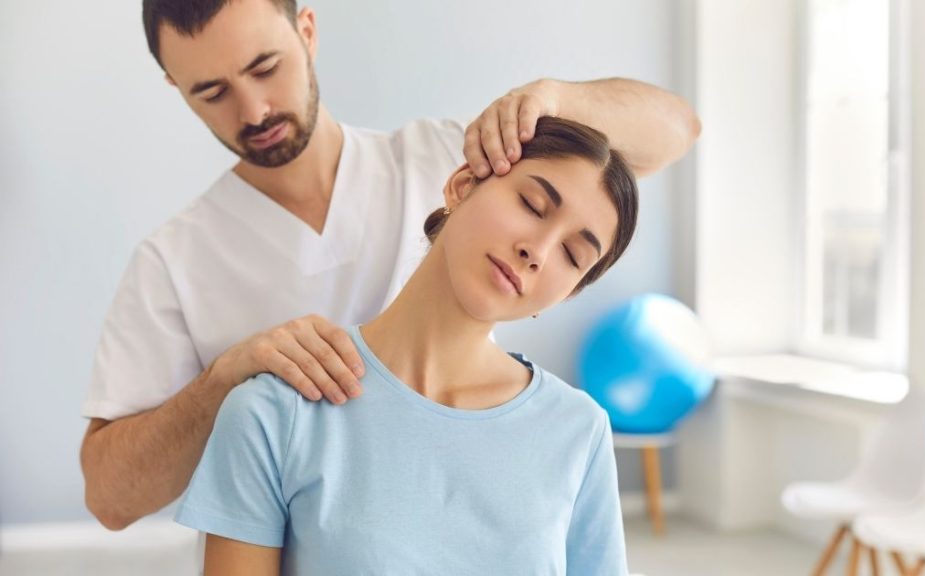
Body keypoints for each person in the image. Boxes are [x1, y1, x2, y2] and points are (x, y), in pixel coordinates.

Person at [80, 0, 701, 533]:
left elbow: (675, 129)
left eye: (265, 67)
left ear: (307, 32)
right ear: (174, 85)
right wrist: (225, 381)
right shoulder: (173, 261)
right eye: (211, 92)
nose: (255, 111)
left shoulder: (448, 158)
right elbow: (110, 499)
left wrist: (554, 98)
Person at [176, 116, 637, 575]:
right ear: (462, 185)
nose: (537, 250)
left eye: (572, 256)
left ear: (568, 292)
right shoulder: (276, 412)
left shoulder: (579, 432)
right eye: (533, 205)